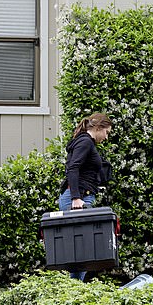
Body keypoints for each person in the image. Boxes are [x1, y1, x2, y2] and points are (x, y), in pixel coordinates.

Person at [59, 112, 113, 281]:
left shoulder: (86, 142)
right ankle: (72, 292)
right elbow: (73, 168)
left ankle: (74, 290)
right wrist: (76, 198)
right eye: (106, 132)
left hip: (81, 197)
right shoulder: (85, 142)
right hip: (78, 198)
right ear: (98, 128)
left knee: (81, 250)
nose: (106, 137)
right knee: (80, 250)